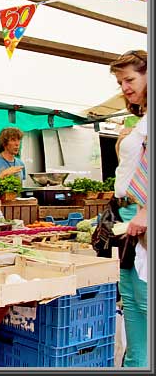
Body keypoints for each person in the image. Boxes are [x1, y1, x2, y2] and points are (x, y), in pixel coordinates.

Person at [110, 49, 148, 368]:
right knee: (133, 304)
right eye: (121, 81)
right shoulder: (139, 121)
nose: (124, 87)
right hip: (129, 219)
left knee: (147, 304)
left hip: (144, 221)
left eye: (130, 79)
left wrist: (147, 212)